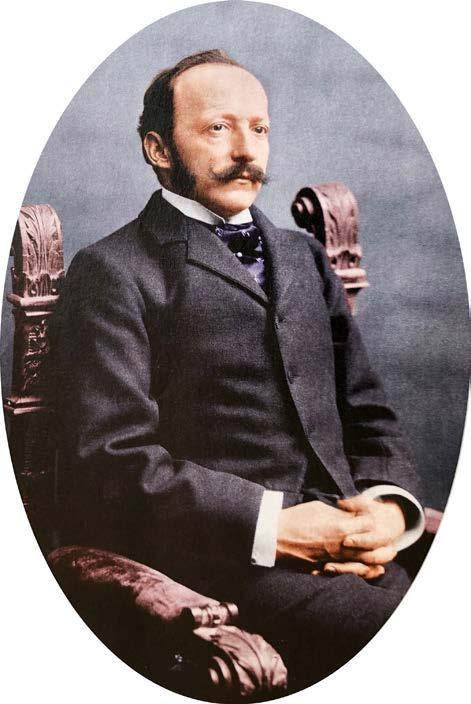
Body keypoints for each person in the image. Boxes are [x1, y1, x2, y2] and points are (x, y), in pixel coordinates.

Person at [54, 49, 425, 691]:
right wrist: (272, 527)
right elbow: (111, 462)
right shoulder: (112, 271)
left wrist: (389, 511)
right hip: (223, 573)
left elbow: (368, 413)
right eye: (218, 128)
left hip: (359, 550)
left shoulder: (303, 257)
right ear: (158, 149)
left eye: (259, 128)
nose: (246, 150)